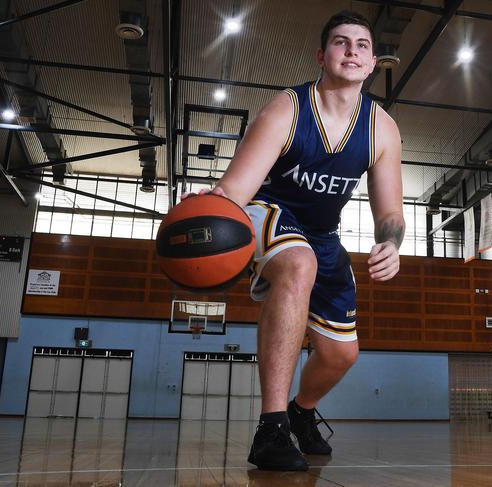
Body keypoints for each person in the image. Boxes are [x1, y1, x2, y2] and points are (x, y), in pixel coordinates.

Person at [184, 10, 404, 471]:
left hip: (324, 235)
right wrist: (213, 203)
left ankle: (302, 413)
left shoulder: (381, 127)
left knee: (341, 353)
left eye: (361, 45)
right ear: (322, 56)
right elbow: (237, 189)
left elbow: (390, 212)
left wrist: (390, 242)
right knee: (298, 262)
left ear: (372, 64)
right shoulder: (287, 108)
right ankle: (272, 427)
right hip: (268, 211)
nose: (351, 50)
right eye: (341, 43)